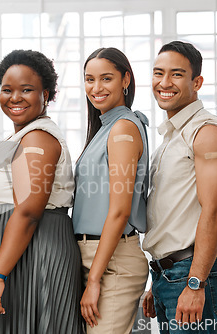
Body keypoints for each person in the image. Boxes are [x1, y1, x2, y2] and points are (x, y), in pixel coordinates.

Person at [0, 49, 84, 333]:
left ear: (46, 94)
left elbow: (27, 212)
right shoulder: (21, 136)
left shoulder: (38, 137)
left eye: (27, 90)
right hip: (16, 252)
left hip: (36, 250)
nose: (15, 98)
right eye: (7, 89)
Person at [142, 40, 217, 333]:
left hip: (191, 273)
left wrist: (195, 283)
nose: (164, 82)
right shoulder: (172, 137)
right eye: (158, 73)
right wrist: (158, 281)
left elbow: (215, 212)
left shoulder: (206, 132)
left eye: (177, 74)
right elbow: (173, 216)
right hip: (171, 274)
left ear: (197, 82)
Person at [72, 47, 150, 333]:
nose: (96, 88)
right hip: (93, 256)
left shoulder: (122, 129)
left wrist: (94, 280)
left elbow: (119, 211)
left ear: (125, 80)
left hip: (112, 261)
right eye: (89, 79)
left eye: (106, 79)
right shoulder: (105, 128)